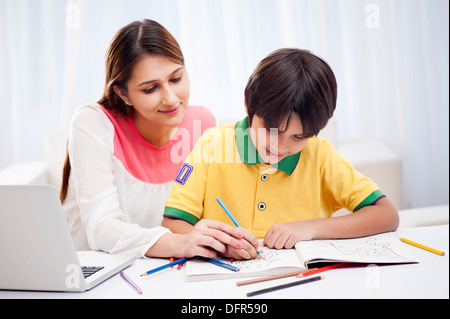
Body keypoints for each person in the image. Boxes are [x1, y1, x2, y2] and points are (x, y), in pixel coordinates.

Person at [162, 48, 399, 259]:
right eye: (270, 130)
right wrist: (221, 245)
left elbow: (386, 215)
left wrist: (309, 228)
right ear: (248, 105)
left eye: (298, 137)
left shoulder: (320, 155)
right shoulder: (213, 145)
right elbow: (173, 225)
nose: (279, 147)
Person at [60, 19, 250, 258]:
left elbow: (207, 215)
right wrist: (181, 244)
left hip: (171, 271)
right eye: (151, 89)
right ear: (122, 92)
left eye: (176, 79)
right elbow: (102, 228)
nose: (170, 99)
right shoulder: (92, 122)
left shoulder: (202, 124)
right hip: (101, 273)